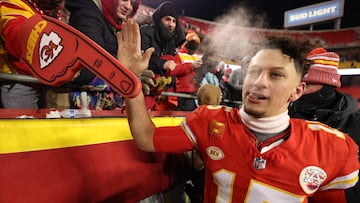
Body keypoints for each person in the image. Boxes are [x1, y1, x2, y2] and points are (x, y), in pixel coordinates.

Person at [117, 19, 359, 202]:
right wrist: (131, 82)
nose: (259, 82)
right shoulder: (209, 121)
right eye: (254, 71)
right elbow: (146, 137)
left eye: (275, 74)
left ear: (297, 90)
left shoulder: (331, 145)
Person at [288, 47, 360, 203]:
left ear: (326, 86)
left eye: (306, 84)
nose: (298, 90)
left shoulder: (356, 124)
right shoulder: (283, 115)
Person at [64, 0, 140, 110]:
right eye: (124, 0)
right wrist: (126, 74)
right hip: (74, 104)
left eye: (132, 4)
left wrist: (135, 73)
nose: (129, 7)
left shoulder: (115, 24)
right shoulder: (88, 14)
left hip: (96, 104)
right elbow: (91, 65)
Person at [0, 0, 65, 108]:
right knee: (24, 124)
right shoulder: (12, 5)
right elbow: (18, 39)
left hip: (42, 81)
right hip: (19, 81)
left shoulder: (52, 8)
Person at [161, 30, 203, 111]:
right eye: (192, 42)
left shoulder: (198, 57)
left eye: (196, 43)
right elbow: (174, 70)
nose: (194, 45)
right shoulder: (178, 55)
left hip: (196, 92)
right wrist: (192, 66)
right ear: (187, 42)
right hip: (181, 93)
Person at [140, 1, 185, 75]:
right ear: (159, 20)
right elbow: (140, 58)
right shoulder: (146, 32)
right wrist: (163, 64)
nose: (171, 24)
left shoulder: (171, 41)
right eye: (167, 19)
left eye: (174, 21)